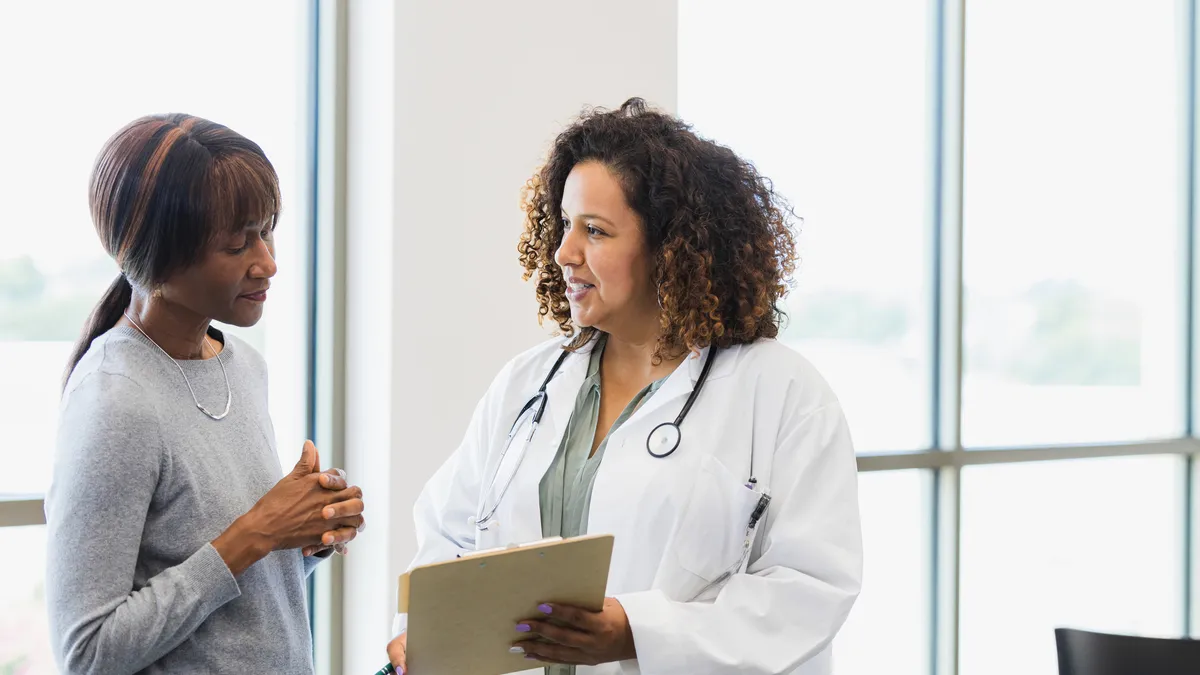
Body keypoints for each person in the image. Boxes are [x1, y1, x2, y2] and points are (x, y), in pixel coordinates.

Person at [385, 98, 862, 674]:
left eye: (596, 231)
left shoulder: (780, 391)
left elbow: (809, 590)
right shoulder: (530, 383)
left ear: (670, 249)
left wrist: (635, 633)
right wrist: (420, 631)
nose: (565, 252)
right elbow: (451, 531)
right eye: (565, 224)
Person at [45, 113, 366, 675]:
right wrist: (256, 531)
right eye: (237, 244)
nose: (267, 262)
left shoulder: (244, 367)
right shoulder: (115, 399)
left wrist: (301, 538)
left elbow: (232, 602)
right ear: (157, 256)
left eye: (267, 231)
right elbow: (88, 654)